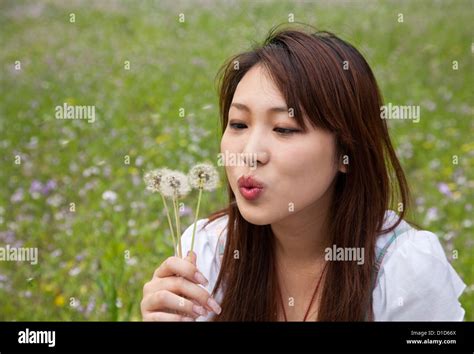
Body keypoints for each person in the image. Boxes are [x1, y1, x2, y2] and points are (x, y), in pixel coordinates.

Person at [141, 27, 466, 321]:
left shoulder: (404, 270)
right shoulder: (210, 253)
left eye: (284, 128)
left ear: (345, 152)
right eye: (238, 124)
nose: (250, 152)